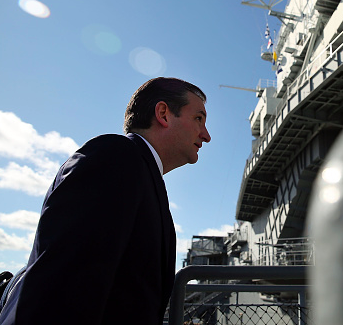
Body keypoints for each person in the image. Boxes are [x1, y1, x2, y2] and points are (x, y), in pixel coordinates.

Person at [0, 77, 211, 324]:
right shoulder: (116, 158)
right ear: (163, 114)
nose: (206, 135)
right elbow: (65, 287)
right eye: (198, 118)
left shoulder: (141, 173)